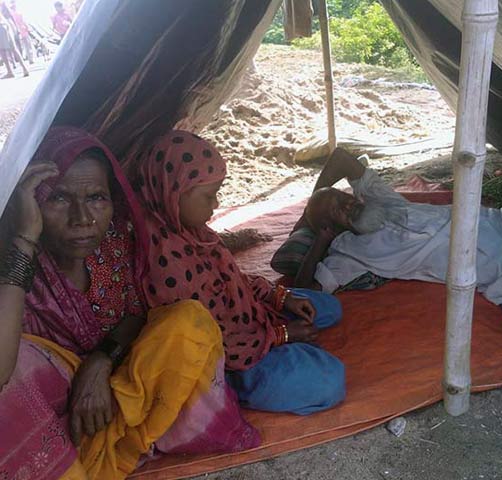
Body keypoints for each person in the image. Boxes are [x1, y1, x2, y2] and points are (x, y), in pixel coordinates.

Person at [0, 127, 258, 480]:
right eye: (58, 198)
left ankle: (118, 447)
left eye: (96, 198)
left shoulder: (115, 243)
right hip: (55, 422)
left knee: (188, 322)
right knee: (17, 370)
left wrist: (102, 360)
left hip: (116, 396)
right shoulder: (14, 262)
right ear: (29, 200)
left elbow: (138, 314)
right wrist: (25, 239)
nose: (83, 218)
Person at [272, 148, 502, 369]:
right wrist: (314, 234)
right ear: (330, 231)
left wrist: (316, 198)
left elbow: (340, 159)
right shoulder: (348, 256)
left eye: (344, 196)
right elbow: (305, 294)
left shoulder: (384, 201)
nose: (349, 201)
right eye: (338, 209)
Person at [136, 130, 346, 415]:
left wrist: (278, 297)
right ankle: (242, 387)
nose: (216, 204)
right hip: (227, 358)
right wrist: (280, 334)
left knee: (329, 308)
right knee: (330, 381)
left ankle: (283, 354)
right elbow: (213, 338)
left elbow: (233, 280)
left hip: (246, 317)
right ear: (172, 193)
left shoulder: (192, 231)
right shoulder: (164, 262)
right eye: (209, 196)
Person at [0, 3, 27, 78]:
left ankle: (10, 71)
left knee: (2, 50)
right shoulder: (3, 4)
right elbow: (9, 14)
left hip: (1, 26)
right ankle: (24, 68)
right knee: (13, 48)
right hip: (6, 24)